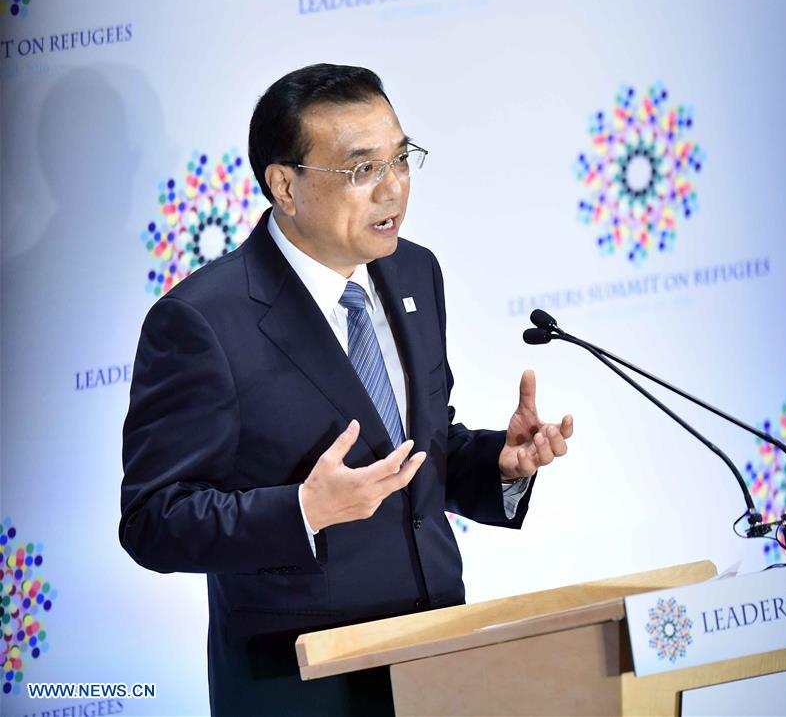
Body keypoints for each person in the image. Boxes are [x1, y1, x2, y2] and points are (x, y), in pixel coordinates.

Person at [119, 63, 574, 716]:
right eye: (362, 170)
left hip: (438, 658)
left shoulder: (415, 272)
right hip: (302, 683)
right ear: (285, 184)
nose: (393, 189)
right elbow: (153, 521)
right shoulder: (202, 320)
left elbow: (418, 453)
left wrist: (499, 463)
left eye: (402, 159)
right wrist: (303, 510)